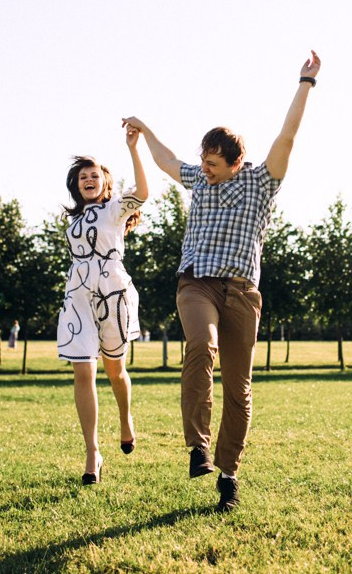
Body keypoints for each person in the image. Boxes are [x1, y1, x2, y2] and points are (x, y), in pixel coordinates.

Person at [122, 50, 321, 512]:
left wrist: (305, 83)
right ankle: (198, 447)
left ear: (235, 161)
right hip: (197, 284)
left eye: (213, 163)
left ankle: (229, 475)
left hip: (242, 292)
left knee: (239, 387)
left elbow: (286, 137)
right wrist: (146, 131)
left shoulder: (261, 182)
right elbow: (168, 161)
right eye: (204, 161)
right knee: (200, 345)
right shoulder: (198, 181)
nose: (204, 169)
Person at [56, 122, 148, 486]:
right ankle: (92, 452)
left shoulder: (114, 210)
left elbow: (142, 191)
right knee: (83, 370)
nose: (89, 179)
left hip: (113, 292)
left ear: (105, 183)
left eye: (94, 175)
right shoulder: (74, 219)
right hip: (78, 294)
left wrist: (133, 148)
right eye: (83, 177)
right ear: (76, 186)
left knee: (114, 370)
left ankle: (126, 420)